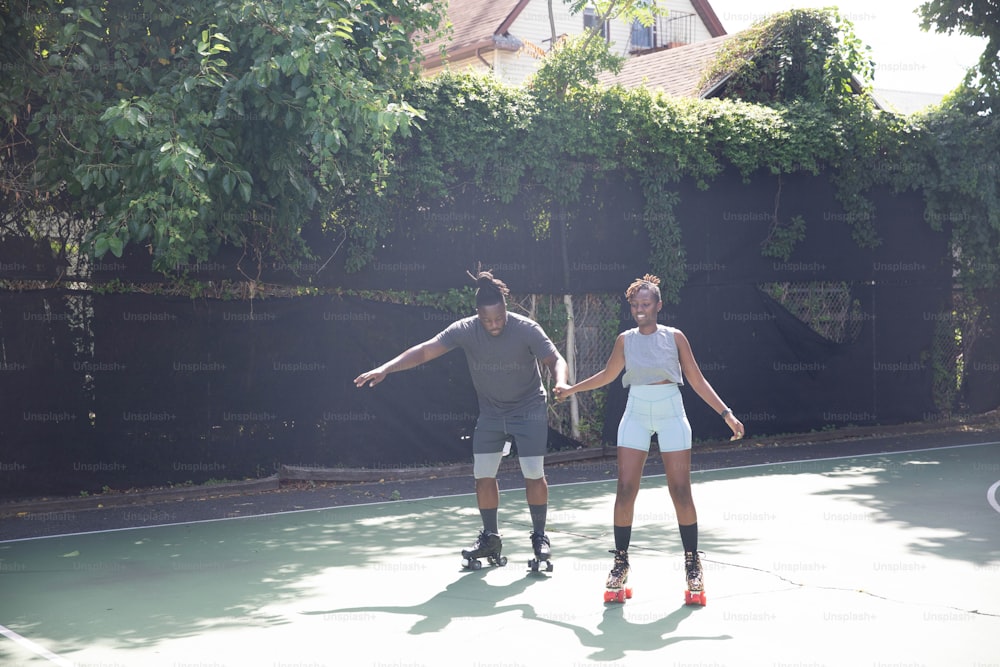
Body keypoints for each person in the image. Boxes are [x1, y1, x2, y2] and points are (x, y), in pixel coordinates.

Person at [354, 270, 569, 570]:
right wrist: (386, 368)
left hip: (528, 408)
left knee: (533, 471)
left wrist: (561, 382)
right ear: (477, 315)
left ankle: (540, 536)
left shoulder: (526, 329)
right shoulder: (465, 329)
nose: (494, 325)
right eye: (487, 320)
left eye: (499, 319)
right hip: (492, 413)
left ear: (506, 310)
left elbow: (555, 358)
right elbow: (426, 350)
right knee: (482, 475)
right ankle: (491, 537)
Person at [554, 274, 744, 603]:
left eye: (646, 304)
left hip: (671, 411)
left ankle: (692, 564)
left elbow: (696, 380)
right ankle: (620, 563)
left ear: (658, 305)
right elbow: (608, 375)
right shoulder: (625, 340)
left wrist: (726, 413)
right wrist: (572, 389)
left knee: (680, 491)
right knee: (625, 489)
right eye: (635, 305)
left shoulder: (675, 337)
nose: (640, 309)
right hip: (636, 413)